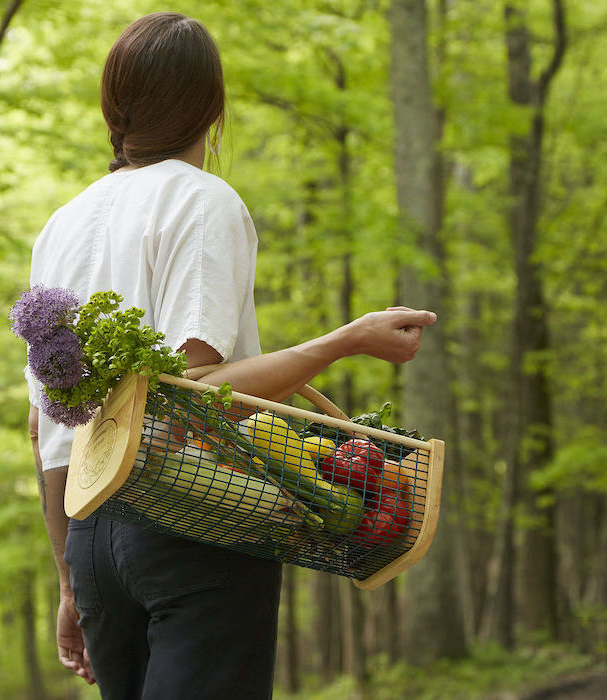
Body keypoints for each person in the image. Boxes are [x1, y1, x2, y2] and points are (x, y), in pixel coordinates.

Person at [25, 11, 437, 699]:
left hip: (91, 533)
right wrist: (346, 339)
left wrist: (70, 579)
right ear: (213, 108)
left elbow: (45, 427)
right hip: (192, 517)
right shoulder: (203, 201)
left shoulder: (61, 225)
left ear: (113, 106)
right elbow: (192, 393)